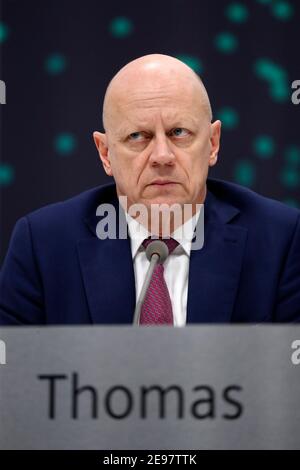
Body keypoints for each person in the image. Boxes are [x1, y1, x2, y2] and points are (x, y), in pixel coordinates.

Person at [0, 54, 299, 325]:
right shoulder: (42, 245)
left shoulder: (281, 239)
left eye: (178, 133)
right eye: (138, 136)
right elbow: (14, 378)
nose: (162, 156)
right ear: (105, 153)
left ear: (213, 142)